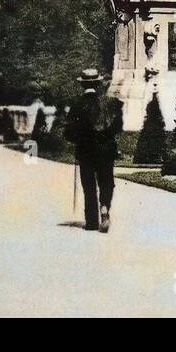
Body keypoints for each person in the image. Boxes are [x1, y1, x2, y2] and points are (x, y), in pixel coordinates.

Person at [64, 69, 122, 232]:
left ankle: (91, 222)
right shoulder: (110, 103)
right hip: (105, 150)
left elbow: (69, 132)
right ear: (98, 84)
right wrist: (106, 136)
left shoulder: (76, 104)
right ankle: (104, 207)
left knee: (88, 185)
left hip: (85, 150)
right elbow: (118, 126)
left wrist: (76, 138)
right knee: (106, 182)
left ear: (82, 85)